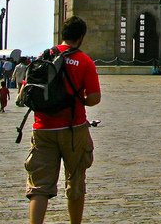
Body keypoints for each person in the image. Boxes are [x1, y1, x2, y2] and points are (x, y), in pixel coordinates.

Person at [25, 16, 101, 224]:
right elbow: (94, 98)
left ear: (62, 34)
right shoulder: (84, 61)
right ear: (81, 37)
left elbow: (27, 91)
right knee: (75, 182)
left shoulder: (44, 56)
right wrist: (80, 100)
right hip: (73, 128)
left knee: (39, 186)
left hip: (42, 128)